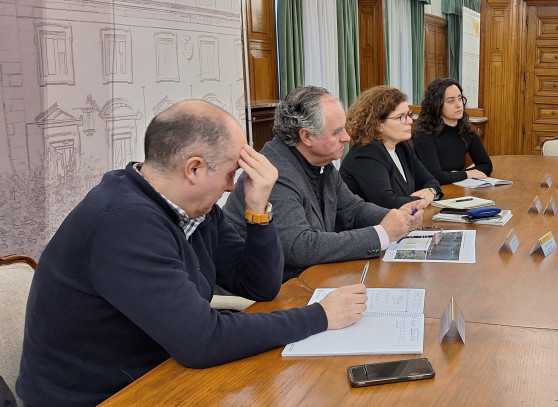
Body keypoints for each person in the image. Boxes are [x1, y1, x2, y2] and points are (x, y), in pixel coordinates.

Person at [17, 100, 368, 406]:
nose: (233, 185)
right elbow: (203, 341)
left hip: (157, 373)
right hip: (103, 396)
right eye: (232, 173)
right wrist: (320, 316)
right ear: (195, 168)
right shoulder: (125, 223)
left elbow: (260, 287)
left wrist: (259, 210)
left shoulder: (193, 210)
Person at [223, 86, 422, 281]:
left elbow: (353, 210)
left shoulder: (321, 163)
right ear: (307, 136)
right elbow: (300, 247)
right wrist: (381, 234)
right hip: (271, 290)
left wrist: (396, 216)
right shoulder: (275, 173)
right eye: (337, 132)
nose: (347, 137)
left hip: (308, 277)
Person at [339, 86, 443, 209]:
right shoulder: (366, 153)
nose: (409, 121)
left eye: (409, 114)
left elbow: (431, 181)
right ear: (377, 124)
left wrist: (430, 191)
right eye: (400, 117)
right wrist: (424, 198)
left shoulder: (402, 147)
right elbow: (388, 203)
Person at [413, 78, 493, 185]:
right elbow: (435, 176)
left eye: (459, 99)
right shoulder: (424, 134)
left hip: (457, 189)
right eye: (451, 101)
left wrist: (458, 175)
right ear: (437, 105)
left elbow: (486, 165)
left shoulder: (465, 128)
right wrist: (466, 175)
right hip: (433, 193)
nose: (459, 105)